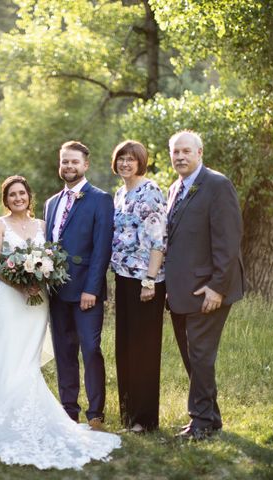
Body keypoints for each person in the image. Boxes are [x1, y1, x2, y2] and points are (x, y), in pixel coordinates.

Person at [0, 176, 121, 470]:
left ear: (30, 196)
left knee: (29, 355)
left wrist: (41, 277)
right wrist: (19, 284)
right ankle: (5, 407)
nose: (18, 198)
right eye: (12, 194)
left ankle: (31, 408)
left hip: (38, 301)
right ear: (5, 199)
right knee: (8, 350)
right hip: (9, 299)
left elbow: (53, 259)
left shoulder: (43, 225)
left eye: (22, 193)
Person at [164, 131, 244, 440]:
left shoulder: (217, 185)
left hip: (208, 289)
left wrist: (217, 287)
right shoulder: (175, 188)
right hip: (182, 290)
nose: (180, 156)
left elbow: (229, 240)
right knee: (192, 356)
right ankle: (210, 417)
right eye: (175, 152)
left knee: (200, 355)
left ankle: (200, 421)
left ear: (199, 153)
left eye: (186, 151)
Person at [44, 141, 115, 431]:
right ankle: (69, 410)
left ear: (85, 165)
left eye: (74, 162)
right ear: (59, 165)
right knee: (64, 352)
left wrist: (92, 289)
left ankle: (95, 413)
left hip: (86, 292)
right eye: (64, 162)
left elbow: (102, 249)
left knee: (91, 349)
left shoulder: (101, 199)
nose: (69, 167)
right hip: (56, 292)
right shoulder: (51, 203)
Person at [110, 140, 167, 434]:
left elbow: (159, 240)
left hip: (146, 283)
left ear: (141, 162)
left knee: (144, 350)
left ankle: (145, 420)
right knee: (126, 348)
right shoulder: (120, 193)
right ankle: (128, 416)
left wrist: (149, 280)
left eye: (131, 159)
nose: (125, 164)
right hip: (123, 279)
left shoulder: (150, 191)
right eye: (121, 158)